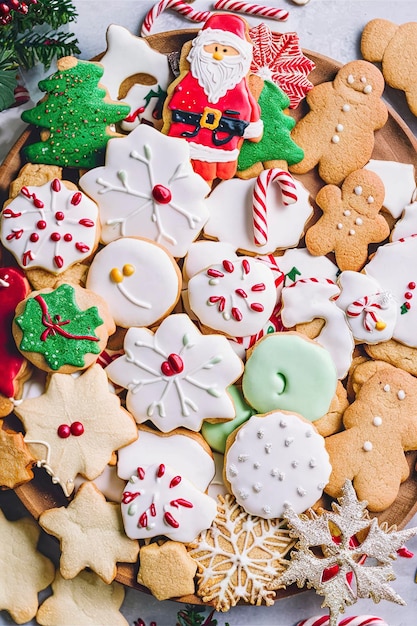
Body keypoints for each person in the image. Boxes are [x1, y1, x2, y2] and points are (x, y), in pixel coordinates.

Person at [163, 13, 263, 183]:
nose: (217, 56)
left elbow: (250, 108)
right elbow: (177, 102)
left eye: (225, 51)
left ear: (240, 56)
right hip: (187, 134)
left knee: (220, 170)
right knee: (179, 162)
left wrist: (251, 127)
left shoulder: (239, 86)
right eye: (214, 49)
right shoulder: (191, 80)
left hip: (224, 141)